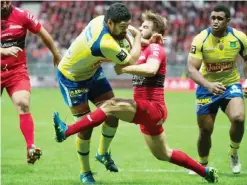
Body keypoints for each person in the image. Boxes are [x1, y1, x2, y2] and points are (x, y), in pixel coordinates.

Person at [53, 11, 219, 184]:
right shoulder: (140, 48)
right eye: (141, 25)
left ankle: (67, 131)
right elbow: (121, 62)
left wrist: (126, 65)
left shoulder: (156, 49)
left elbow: (150, 69)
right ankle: (205, 172)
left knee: (111, 105)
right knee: (164, 153)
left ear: (156, 32)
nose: (140, 28)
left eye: (145, 27)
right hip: (146, 110)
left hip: (154, 108)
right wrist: (137, 43)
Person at [54, 2, 143, 184]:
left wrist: (130, 32)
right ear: (110, 23)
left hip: (92, 73)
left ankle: (102, 153)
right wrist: (140, 36)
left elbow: (125, 32)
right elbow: (131, 60)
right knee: (86, 128)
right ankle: (85, 172)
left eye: (127, 26)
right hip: (72, 79)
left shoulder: (100, 20)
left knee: (113, 112)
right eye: (122, 26)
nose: (125, 30)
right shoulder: (104, 42)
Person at [187, 4, 247, 174]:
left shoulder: (239, 37)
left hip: (231, 85)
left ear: (228, 20)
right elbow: (192, 69)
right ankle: (202, 163)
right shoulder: (200, 39)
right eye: (213, 18)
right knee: (205, 130)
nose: (215, 21)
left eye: (220, 18)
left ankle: (233, 152)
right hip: (207, 87)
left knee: (239, 118)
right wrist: (209, 85)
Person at [1, 1, 61, 164]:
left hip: (16, 71)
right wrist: (2, 50)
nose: (4, 4)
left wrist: (56, 53)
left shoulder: (22, 15)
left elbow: (43, 32)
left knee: (23, 103)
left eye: (7, 1)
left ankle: (31, 148)